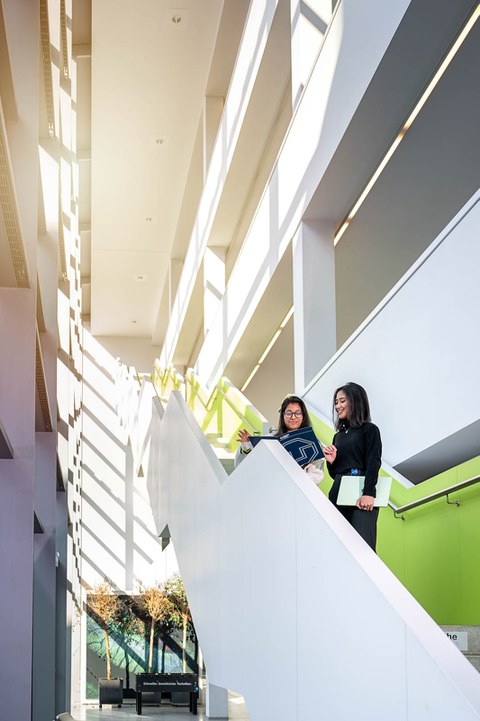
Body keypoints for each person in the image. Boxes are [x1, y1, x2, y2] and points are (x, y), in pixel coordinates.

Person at [323, 382, 382, 551]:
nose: (337, 406)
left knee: (364, 547)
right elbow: (335, 474)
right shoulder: (338, 437)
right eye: (336, 402)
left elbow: (373, 461)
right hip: (339, 489)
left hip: (361, 492)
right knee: (339, 547)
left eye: (342, 401)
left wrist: (369, 493)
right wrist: (332, 461)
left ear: (355, 401)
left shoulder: (370, 430)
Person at [235, 394, 324, 485]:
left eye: (297, 413)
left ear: (303, 415)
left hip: (298, 491)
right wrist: (246, 446)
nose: (293, 417)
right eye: (289, 413)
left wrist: (294, 480)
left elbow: (317, 476)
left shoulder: (313, 441)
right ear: (283, 415)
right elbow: (244, 466)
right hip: (272, 488)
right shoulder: (270, 439)